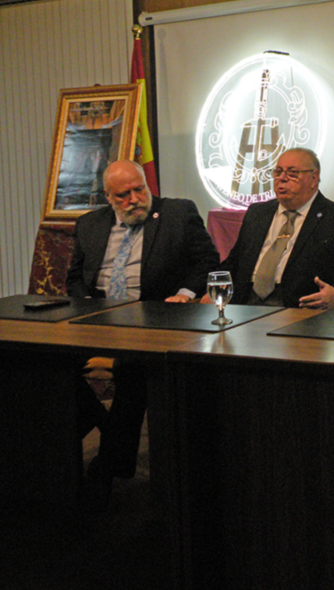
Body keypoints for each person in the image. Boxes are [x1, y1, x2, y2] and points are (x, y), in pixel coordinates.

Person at [66, 159, 220, 507]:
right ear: (108, 197)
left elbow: (207, 261)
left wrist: (186, 292)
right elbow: (75, 278)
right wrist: (88, 307)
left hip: (157, 319)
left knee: (135, 372)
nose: (135, 198)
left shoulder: (178, 213)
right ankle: (90, 437)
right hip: (100, 322)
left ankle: (107, 466)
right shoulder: (89, 225)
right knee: (43, 368)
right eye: (124, 195)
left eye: (140, 189)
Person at [219, 148, 334, 309]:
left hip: (301, 309)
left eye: (292, 173)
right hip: (244, 304)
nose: (282, 179)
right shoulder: (258, 213)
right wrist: (212, 290)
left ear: (314, 178)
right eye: (278, 172)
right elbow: (234, 262)